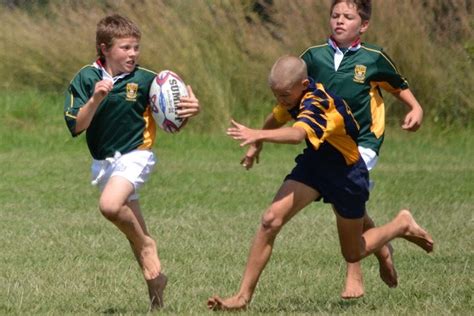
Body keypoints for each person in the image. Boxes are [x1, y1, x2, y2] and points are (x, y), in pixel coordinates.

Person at [207, 55, 433, 311]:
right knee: (270, 220)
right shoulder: (292, 96)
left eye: (284, 95)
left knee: (353, 253)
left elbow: (296, 134)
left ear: (304, 84)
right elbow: (278, 117)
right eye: (276, 95)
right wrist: (256, 144)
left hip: (347, 174)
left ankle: (401, 225)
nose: (280, 100)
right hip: (315, 165)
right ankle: (242, 298)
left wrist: (257, 134)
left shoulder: (318, 103)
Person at [288, 0, 425, 299]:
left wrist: (415, 107)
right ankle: (383, 250)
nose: (340, 21)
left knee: (342, 200)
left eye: (348, 17)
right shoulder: (313, 56)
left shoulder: (373, 57)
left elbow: (397, 84)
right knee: (349, 203)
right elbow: (292, 86)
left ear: (362, 25)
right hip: (328, 143)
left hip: (364, 143)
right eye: (335, 15)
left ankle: (355, 276)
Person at [63, 14, 200, 311]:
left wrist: (189, 111)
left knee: (110, 206)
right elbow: (76, 126)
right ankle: (157, 299)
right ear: (104, 48)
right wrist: (96, 99)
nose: (133, 54)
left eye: (136, 47)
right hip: (104, 162)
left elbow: (173, 122)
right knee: (133, 232)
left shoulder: (148, 80)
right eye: (125, 48)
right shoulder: (86, 78)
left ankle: (148, 245)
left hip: (136, 154)